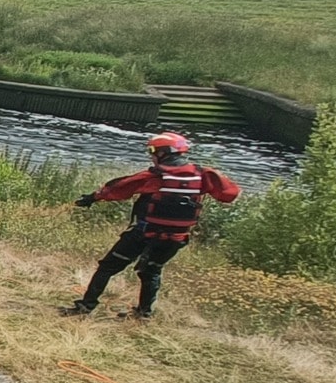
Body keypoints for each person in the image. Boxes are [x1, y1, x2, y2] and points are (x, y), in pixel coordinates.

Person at [63, 133, 240, 319]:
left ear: (162, 153)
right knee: (151, 271)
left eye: (152, 151)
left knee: (107, 267)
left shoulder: (155, 176)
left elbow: (119, 188)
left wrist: (92, 197)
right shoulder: (203, 175)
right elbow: (229, 194)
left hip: (144, 233)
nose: (151, 156)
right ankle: (144, 314)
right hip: (176, 238)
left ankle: (85, 307)